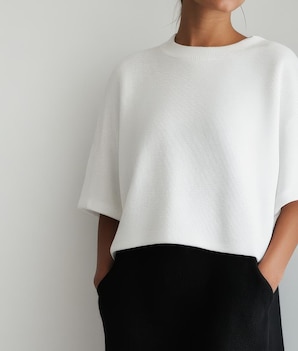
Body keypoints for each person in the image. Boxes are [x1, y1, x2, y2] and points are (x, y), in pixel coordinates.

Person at [77, 0, 298, 350]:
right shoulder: (132, 74)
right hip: (139, 295)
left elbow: (295, 196)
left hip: (238, 293)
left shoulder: (277, 65)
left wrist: (262, 282)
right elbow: (109, 198)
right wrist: (106, 280)